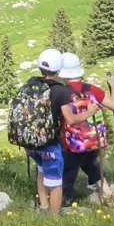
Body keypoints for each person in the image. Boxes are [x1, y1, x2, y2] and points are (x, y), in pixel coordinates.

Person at [58, 52, 114, 206]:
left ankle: (66, 202)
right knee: (90, 165)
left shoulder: (63, 93)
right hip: (94, 139)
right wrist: (113, 86)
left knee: (68, 170)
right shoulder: (92, 89)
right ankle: (106, 192)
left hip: (73, 143)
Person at [26, 48, 72, 216]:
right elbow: (71, 119)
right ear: (59, 70)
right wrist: (90, 111)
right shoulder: (61, 91)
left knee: (41, 170)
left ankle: (43, 206)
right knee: (55, 182)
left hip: (31, 143)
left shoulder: (31, 84)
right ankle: (53, 219)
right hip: (50, 143)